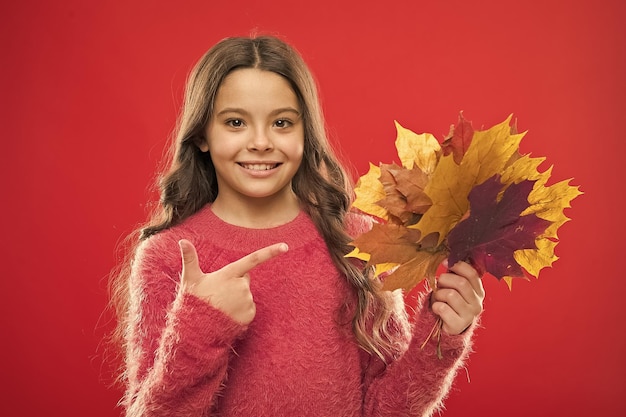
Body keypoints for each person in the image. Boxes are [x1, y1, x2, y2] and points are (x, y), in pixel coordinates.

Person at [109, 35, 485, 417]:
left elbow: (385, 408)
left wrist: (441, 335)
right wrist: (202, 324)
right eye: (235, 122)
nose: (260, 142)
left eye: (282, 123)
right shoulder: (165, 257)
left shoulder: (357, 241)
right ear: (203, 135)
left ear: (305, 133)